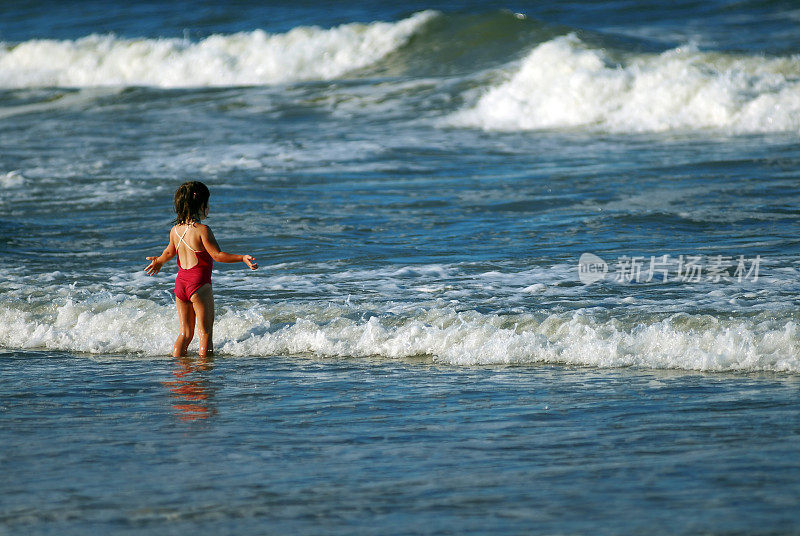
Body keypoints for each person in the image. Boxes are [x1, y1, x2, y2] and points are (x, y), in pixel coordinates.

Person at [145, 181, 258, 357]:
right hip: (199, 286)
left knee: (185, 334)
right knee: (205, 334)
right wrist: (241, 258)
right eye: (208, 203)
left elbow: (169, 252)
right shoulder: (202, 230)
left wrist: (158, 261)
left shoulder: (175, 230)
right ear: (202, 205)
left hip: (180, 286)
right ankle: (204, 374)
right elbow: (217, 255)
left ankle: (179, 370)